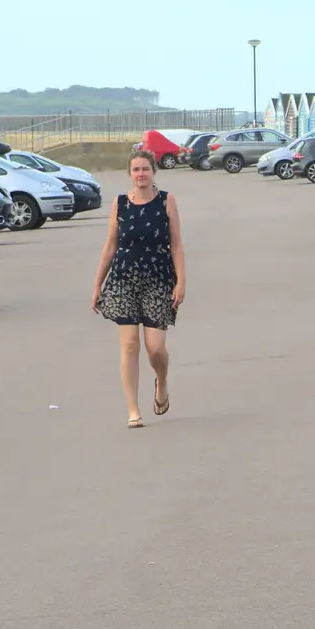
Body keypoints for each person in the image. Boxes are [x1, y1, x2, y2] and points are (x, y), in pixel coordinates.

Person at [93, 151, 186, 428]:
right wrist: (98, 283)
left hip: (158, 279)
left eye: (145, 169)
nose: (141, 174)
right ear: (129, 173)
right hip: (124, 279)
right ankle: (133, 409)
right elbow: (111, 245)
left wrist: (181, 281)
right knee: (130, 345)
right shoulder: (120, 203)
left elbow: (177, 244)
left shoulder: (166, 201)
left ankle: (162, 382)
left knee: (155, 349)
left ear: (153, 171)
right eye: (136, 169)